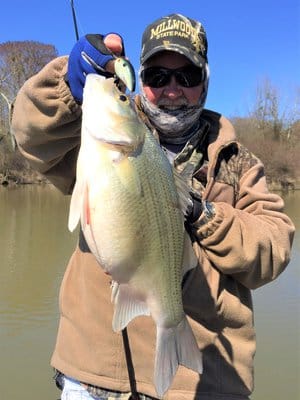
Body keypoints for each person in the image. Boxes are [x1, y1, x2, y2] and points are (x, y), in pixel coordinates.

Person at [11, 13, 294, 400]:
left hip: (203, 384)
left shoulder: (237, 162)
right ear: (141, 82)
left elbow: (273, 249)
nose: (172, 89)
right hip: (96, 374)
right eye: (158, 77)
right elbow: (30, 132)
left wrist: (201, 213)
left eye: (187, 76)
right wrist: (67, 85)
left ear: (205, 81)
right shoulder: (100, 134)